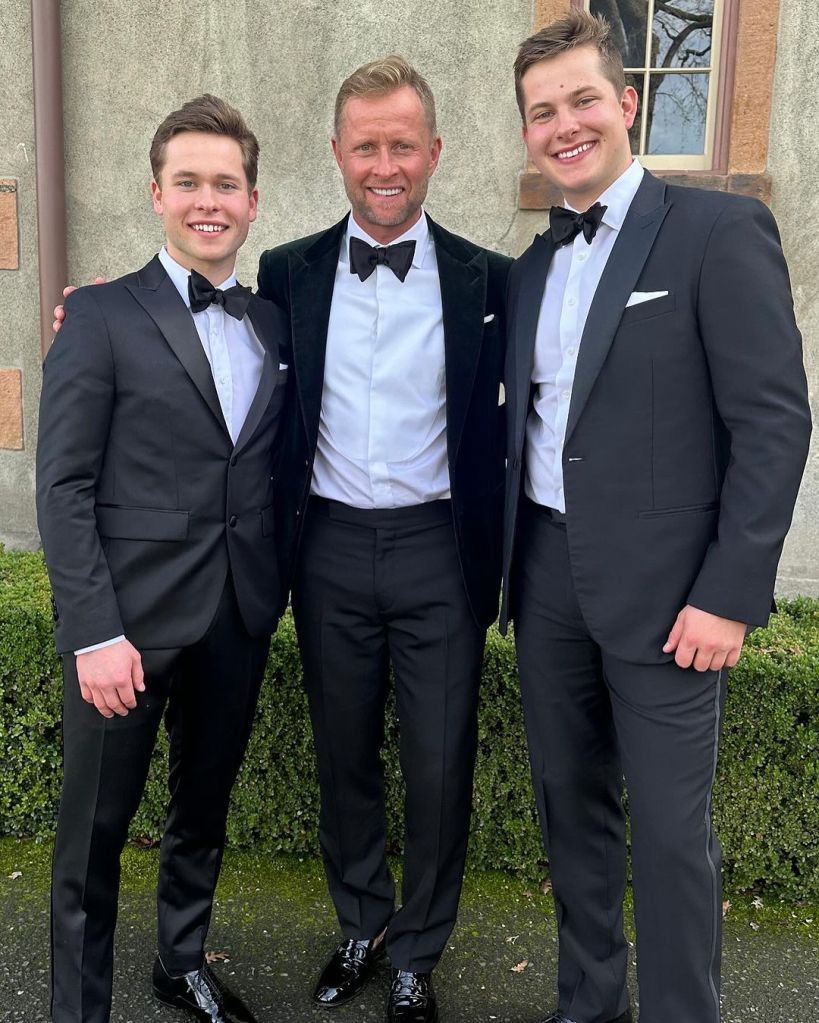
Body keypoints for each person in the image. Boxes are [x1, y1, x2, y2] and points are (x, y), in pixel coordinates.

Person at [501, 10, 811, 1023]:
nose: (564, 125)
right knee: (570, 815)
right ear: (528, 133)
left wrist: (730, 593)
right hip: (546, 579)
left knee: (674, 837)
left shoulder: (718, 230)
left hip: (674, 600)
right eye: (543, 112)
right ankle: (590, 1004)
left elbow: (773, 423)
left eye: (583, 99)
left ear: (627, 102)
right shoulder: (534, 266)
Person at [257, 57, 510, 1023]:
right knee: (343, 752)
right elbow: (217, 340)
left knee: (442, 762)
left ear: (435, 151)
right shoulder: (287, 269)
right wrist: (100, 309)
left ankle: (418, 948)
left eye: (402, 143)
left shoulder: (492, 279)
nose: (384, 163)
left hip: (438, 550)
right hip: (324, 546)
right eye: (365, 145)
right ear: (336, 153)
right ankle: (360, 922)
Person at [37, 95, 289, 1023]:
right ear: (156, 192)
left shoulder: (272, 323)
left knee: (202, 815)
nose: (208, 200)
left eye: (226, 182)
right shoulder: (99, 315)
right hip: (125, 631)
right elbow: (61, 486)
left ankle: (180, 959)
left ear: (253, 201)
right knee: (92, 838)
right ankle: (79, 1009)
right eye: (189, 181)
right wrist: (93, 630)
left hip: (236, 615)